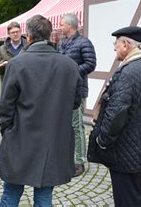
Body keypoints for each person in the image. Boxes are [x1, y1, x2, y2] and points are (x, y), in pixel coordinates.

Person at [0, 15, 82, 206]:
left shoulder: (17, 64)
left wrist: (8, 131)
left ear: (28, 35)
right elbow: (75, 102)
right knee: (43, 195)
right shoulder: (69, 65)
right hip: (53, 138)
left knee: (11, 192)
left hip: (21, 136)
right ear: (49, 34)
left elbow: (5, 107)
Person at [88, 26, 141, 207]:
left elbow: (116, 114)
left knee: (126, 201)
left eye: (116, 44)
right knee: (138, 198)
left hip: (127, 152)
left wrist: (102, 140)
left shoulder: (127, 73)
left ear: (126, 44)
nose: (114, 48)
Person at [59, 13, 97, 177]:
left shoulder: (84, 43)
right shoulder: (62, 43)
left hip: (78, 90)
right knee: (66, 125)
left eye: (62, 24)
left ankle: (79, 161)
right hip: (62, 90)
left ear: (70, 25)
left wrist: (71, 72)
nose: (60, 27)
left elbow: (90, 64)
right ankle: (68, 157)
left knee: (77, 126)